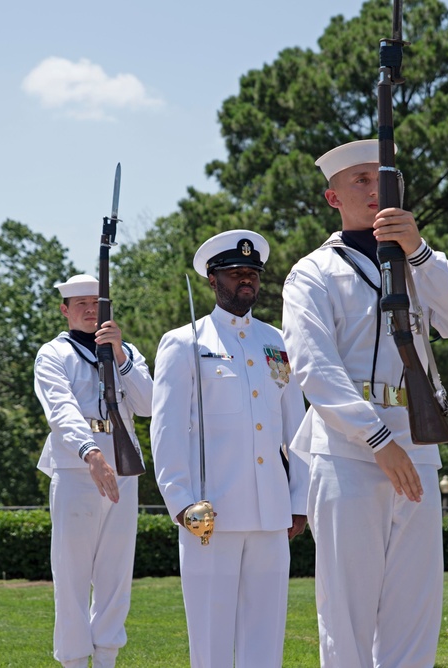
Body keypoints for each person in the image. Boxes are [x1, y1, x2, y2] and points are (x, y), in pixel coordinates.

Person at [281, 139, 448, 667]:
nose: (376, 190)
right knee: (347, 615)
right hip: (350, 453)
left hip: (418, 441)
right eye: (361, 181)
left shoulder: (417, 262)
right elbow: (313, 368)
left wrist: (420, 251)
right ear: (334, 198)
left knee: (414, 612)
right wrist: (376, 439)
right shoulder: (313, 273)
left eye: (383, 179)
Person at [151, 229, 308, 668]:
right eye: (236, 272)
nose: (246, 281)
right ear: (212, 279)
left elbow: (296, 427)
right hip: (209, 513)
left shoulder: (276, 340)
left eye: (253, 273)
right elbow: (167, 431)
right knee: (211, 636)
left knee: (266, 635)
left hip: (271, 513)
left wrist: (299, 499)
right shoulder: (185, 342)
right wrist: (181, 503)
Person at [34, 274, 153, 668]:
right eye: (80, 303)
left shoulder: (125, 352)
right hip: (76, 466)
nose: (89, 310)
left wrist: (120, 355)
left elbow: (150, 403)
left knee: (115, 573)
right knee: (71, 573)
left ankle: (106, 658)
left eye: (96, 303)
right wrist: (89, 452)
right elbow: (61, 409)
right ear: (65, 310)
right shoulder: (53, 354)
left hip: (122, 462)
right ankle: (72, 660)